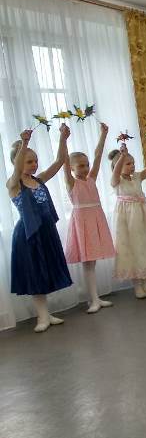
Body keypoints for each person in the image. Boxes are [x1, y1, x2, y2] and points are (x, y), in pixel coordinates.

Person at [8, 125, 72, 332]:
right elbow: (16, 172)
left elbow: (59, 162)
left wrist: (63, 138)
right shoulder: (13, 184)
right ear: (17, 162)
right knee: (36, 273)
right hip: (29, 235)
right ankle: (42, 317)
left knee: (46, 272)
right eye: (29, 161)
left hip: (46, 232)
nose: (34, 164)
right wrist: (25, 143)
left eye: (35, 161)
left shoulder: (39, 179)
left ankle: (46, 314)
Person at [62, 122, 116, 313]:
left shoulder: (91, 178)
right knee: (88, 262)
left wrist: (103, 134)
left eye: (86, 165)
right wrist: (63, 140)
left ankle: (95, 298)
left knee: (92, 262)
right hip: (82, 222)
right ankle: (93, 299)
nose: (85, 168)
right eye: (81, 166)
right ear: (72, 168)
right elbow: (64, 162)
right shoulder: (71, 182)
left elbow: (98, 156)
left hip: (96, 219)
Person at [110, 137, 146, 298]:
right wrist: (122, 156)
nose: (132, 166)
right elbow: (115, 173)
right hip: (128, 220)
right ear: (118, 165)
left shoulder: (137, 176)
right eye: (128, 163)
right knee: (133, 249)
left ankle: (145, 284)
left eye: (133, 163)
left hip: (143, 216)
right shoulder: (117, 181)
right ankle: (137, 286)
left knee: (144, 247)